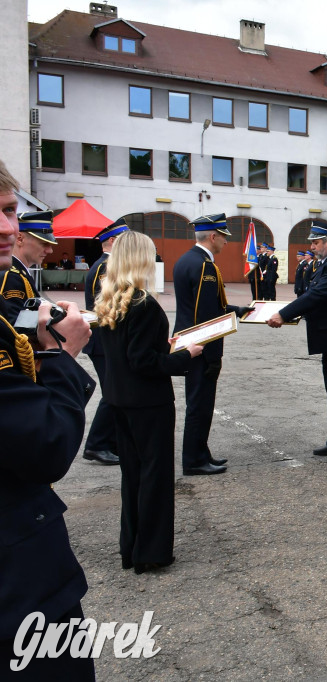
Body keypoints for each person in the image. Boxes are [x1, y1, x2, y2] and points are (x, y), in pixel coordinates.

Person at [0, 159, 97, 680]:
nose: (7, 229)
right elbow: (43, 446)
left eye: (10, 211)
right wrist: (61, 359)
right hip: (18, 583)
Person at [96, 231, 202, 574]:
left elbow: (129, 353)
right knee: (155, 476)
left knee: (133, 475)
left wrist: (164, 345)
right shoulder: (142, 303)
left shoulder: (112, 299)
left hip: (120, 399)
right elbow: (143, 361)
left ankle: (132, 547)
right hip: (148, 402)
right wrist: (185, 355)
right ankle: (152, 552)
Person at [268, 221, 327, 459]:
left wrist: (283, 314)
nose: (312, 246)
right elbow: (311, 294)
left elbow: (317, 294)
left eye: (316, 242)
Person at [172, 213, 249, 475]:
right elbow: (205, 315)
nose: (226, 242)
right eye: (224, 237)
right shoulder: (205, 266)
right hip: (200, 346)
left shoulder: (187, 260)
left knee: (199, 403)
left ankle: (201, 454)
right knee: (200, 405)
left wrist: (236, 310)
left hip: (191, 341)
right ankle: (194, 461)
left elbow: (208, 305)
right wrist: (211, 350)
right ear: (213, 236)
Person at [81, 218, 130, 467]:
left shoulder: (108, 265)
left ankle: (107, 442)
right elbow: (108, 306)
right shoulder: (105, 267)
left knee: (115, 388)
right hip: (103, 339)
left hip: (105, 338)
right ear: (112, 241)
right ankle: (97, 445)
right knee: (112, 391)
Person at [1, 210, 54, 322]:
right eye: (44, 244)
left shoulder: (18, 272)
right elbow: (15, 326)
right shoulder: (11, 276)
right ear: (20, 239)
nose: (50, 251)